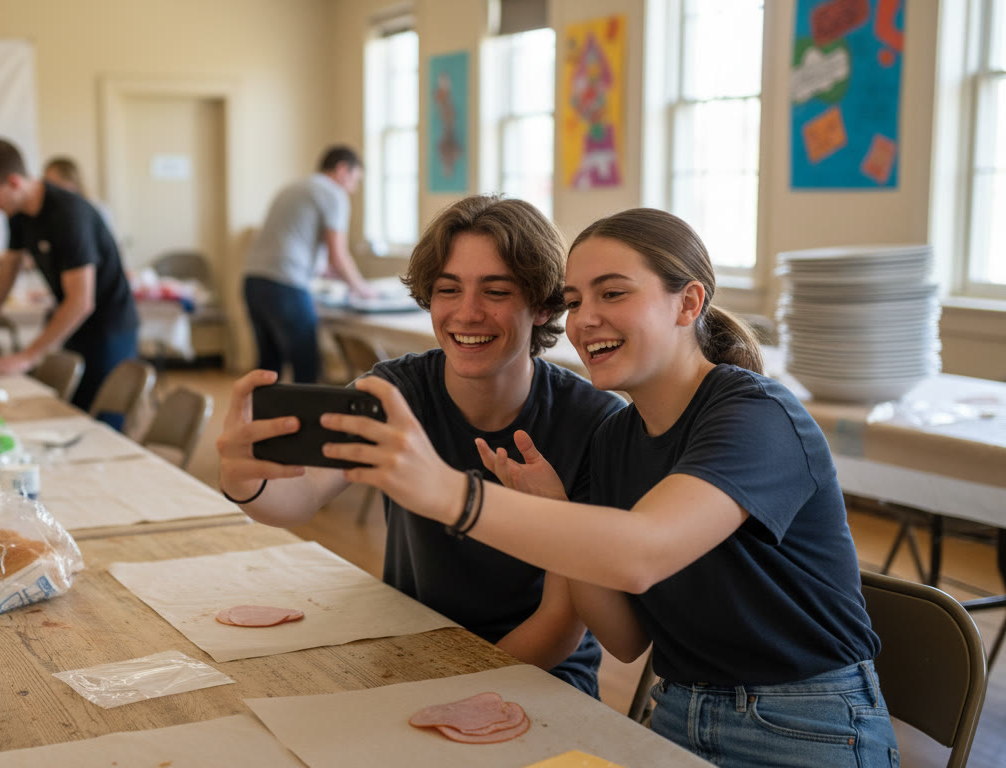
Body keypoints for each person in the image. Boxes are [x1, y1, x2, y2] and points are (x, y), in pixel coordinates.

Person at [318, 208, 898, 768]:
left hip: (806, 721)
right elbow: (623, 639)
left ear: (688, 302)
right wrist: (555, 511)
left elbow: (643, 552)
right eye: (574, 301)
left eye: (612, 293)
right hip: (676, 709)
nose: (583, 319)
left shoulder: (755, 413)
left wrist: (450, 494)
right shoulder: (617, 437)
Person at [218, 195, 624, 698]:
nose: (467, 312)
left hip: (543, 675)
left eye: (496, 291)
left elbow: (561, 627)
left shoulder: (594, 423)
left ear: (543, 305)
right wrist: (245, 479)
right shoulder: (394, 392)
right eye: (448, 289)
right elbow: (301, 497)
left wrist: (448, 694)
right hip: (409, 650)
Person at [0, 139, 139, 426]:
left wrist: (28, 357)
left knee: (103, 425)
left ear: (14, 182)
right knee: (72, 419)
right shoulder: (18, 215)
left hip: (108, 328)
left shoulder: (68, 215)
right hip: (75, 326)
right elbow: (4, 277)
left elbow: (81, 301)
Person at [243, 145, 375, 383]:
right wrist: (362, 289)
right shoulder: (333, 193)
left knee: (268, 366)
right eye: (355, 180)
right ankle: (306, 421)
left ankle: (259, 418)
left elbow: (317, 258)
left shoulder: (294, 188)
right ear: (342, 169)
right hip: (285, 284)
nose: (353, 189)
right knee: (307, 366)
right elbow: (338, 254)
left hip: (254, 281)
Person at [42, 156, 118, 236]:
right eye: (47, 183)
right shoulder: (49, 211)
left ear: (71, 182)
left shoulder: (97, 208)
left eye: (54, 184)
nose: (48, 189)